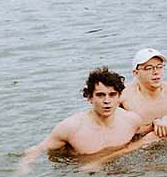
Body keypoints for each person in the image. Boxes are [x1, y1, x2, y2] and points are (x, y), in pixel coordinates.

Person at [20, 67, 152, 168]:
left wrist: (161, 122)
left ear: (119, 97)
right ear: (89, 97)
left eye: (112, 95)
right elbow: (38, 149)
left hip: (121, 171)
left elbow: (149, 130)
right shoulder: (71, 127)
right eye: (100, 95)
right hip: (84, 176)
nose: (107, 101)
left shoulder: (131, 120)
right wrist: (23, 168)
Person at [121, 47, 167, 121]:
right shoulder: (124, 95)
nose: (156, 72)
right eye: (149, 68)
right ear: (136, 73)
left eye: (159, 67)